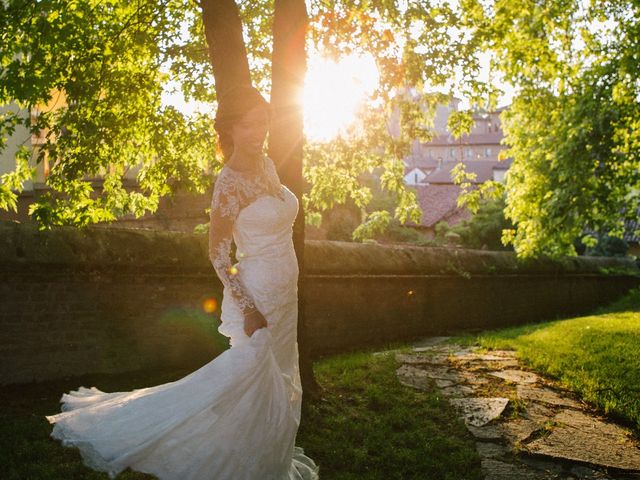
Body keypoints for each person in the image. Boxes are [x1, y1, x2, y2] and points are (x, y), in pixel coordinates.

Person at [45, 85, 320, 480]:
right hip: (258, 296)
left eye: (263, 120)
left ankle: (266, 457)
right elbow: (219, 255)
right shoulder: (228, 183)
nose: (258, 130)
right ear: (229, 130)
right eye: (248, 124)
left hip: (285, 294)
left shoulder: (269, 165)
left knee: (277, 378)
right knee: (248, 378)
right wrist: (249, 308)